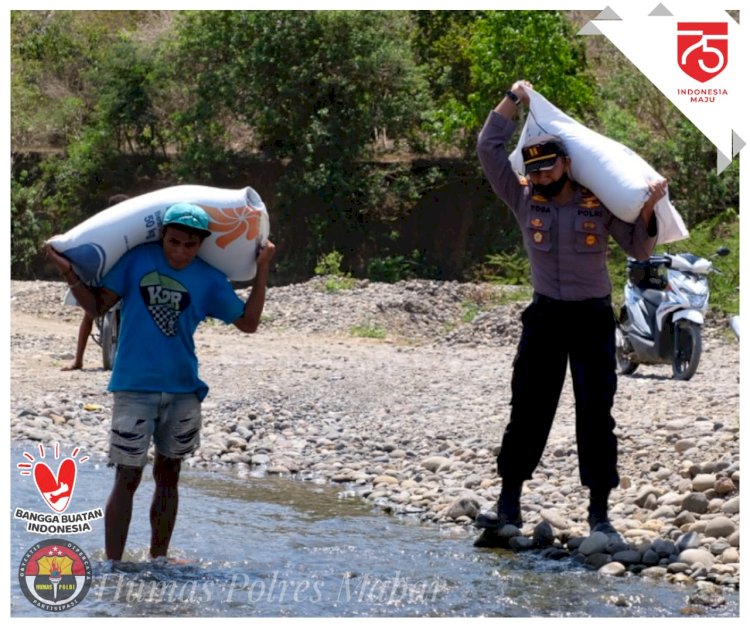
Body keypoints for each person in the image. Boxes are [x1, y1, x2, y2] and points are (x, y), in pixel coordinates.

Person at [475, 79, 667, 534]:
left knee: (595, 412)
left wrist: (648, 209)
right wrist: (513, 97)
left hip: (591, 320)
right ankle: (509, 505)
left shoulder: (597, 203)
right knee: (528, 408)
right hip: (544, 318)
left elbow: (639, 249)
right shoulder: (523, 199)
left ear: (566, 164)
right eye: (534, 170)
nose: (541, 177)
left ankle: (599, 515)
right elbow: (488, 146)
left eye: (548, 169)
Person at [46, 202, 276, 561]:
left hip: (184, 390)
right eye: (174, 242)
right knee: (127, 476)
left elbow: (248, 323)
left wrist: (261, 270)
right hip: (133, 389)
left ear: (200, 245)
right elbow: (96, 308)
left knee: (169, 475)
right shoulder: (137, 261)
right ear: (162, 236)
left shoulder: (209, 279)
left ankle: (159, 558)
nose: (180, 251)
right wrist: (68, 272)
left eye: (189, 245)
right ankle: (114, 565)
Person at [62, 194, 130, 371]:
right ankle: (78, 360)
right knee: (88, 313)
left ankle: (78, 360)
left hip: (122, 275)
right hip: (104, 275)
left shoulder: (131, 229)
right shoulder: (103, 227)